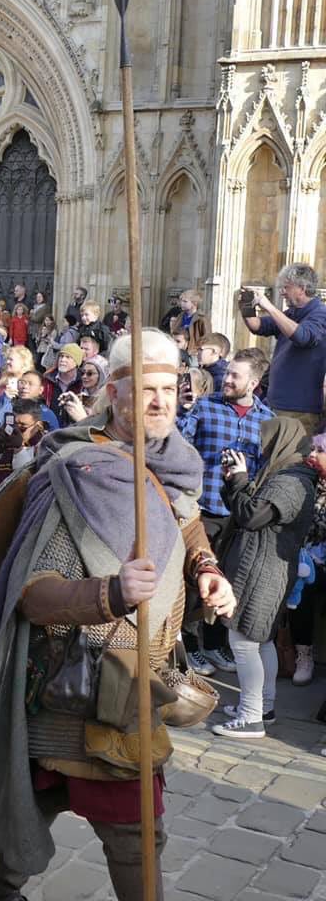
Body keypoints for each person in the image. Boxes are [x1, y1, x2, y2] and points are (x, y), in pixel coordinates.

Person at [0, 329, 236, 900]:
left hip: (139, 680)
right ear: (113, 393)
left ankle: (1, 892)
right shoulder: (77, 474)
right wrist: (110, 593)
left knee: (36, 810)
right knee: (135, 834)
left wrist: (206, 565)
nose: (161, 401)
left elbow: (182, 518)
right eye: (145, 389)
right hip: (86, 691)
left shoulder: (170, 462)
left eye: (171, 388)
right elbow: (33, 592)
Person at [212, 418, 317, 739]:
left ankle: (251, 717)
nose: (262, 446)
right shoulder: (282, 475)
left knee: (243, 641)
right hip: (262, 569)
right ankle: (263, 707)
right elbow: (244, 508)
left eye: (267, 441)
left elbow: (252, 516)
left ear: (283, 442)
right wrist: (234, 481)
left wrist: (243, 479)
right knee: (261, 642)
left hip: (263, 572)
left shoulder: (292, 482)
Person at [177, 349, 274, 675]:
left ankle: (215, 644)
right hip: (201, 510)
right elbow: (180, 442)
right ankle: (189, 648)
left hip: (237, 516)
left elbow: (265, 469)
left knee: (227, 583)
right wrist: (182, 413)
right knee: (194, 582)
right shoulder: (206, 406)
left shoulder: (266, 418)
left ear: (254, 383)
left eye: (235, 376)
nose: (227, 379)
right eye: (227, 373)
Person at [240, 263, 326, 435]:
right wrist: (246, 306)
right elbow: (257, 326)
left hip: (300, 410)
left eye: (286, 287)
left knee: (291, 461)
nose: (282, 292)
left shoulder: (321, 313)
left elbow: (302, 336)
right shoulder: (291, 314)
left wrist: (270, 307)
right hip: (275, 404)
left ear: (301, 288)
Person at [293, 433, 326, 686]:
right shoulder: (305, 483)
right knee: (301, 591)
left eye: (320, 450)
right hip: (308, 558)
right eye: (311, 449)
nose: (312, 454)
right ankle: (303, 654)